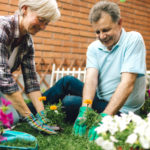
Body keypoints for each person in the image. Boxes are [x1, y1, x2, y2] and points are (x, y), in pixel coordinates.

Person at [30, 0, 145, 140]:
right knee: (67, 81)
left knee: (68, 102)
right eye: (98, 31)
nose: (102, 36)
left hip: (124, 112)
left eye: (106, 30)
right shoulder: (94, 47)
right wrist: (85, 109)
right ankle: (27, 113)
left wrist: (105, 117)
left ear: (119, 23)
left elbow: (127, 84)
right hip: (101, 100)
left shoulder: (133, 40)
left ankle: (32, 113)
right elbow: (91, 80)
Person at [0, 0, 60, 134]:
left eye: (47, 23)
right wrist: (31, 119)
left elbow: (31, 82)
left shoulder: (27, 42)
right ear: (25, 9)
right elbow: (3, 76)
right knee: (8, 119)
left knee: (11, 119)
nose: (43, 27)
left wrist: (42, 117)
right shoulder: (2, 27)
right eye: (41, 19)